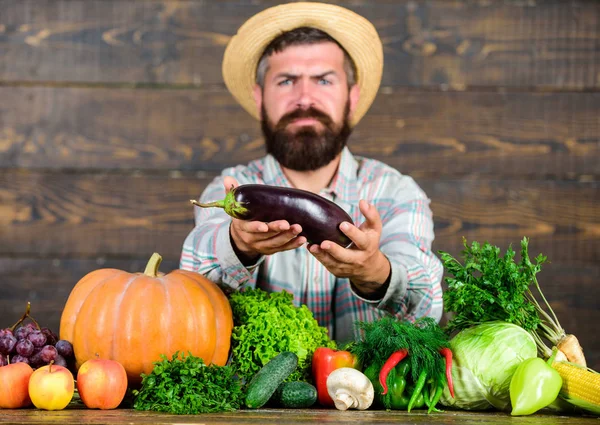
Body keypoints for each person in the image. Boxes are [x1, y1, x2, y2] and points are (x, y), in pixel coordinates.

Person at [180, 2, 443, 343]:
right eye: (287, 81)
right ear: (260, 97)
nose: (305, 98)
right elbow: (189, 292)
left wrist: (375, 271)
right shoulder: (230, 188)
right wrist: (237, 244)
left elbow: (428, 308)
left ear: (352, 95)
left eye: (323, 80)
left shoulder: (396, 193)